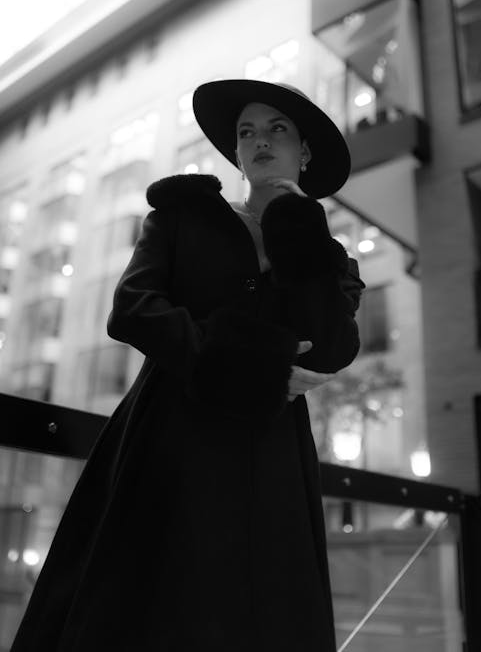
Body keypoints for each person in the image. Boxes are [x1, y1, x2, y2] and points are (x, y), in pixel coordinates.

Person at [10, 79, 365, 652]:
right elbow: (133, 309)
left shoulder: (329, 256)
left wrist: (297, 231)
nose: (259, 141)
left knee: (262, 613)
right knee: (154, 608)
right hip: (172, 437)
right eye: (246, 132)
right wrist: (248, 367)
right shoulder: (182, 215)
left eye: (277, 128)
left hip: (270, 453)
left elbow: (331, 347)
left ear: (303, 151)